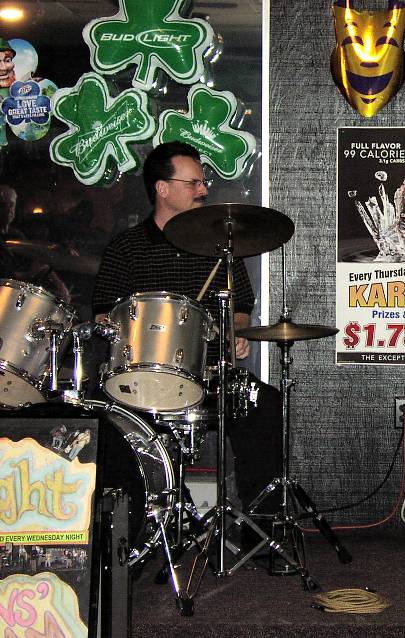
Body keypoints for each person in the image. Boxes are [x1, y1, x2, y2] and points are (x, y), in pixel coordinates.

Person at [92, 141, 283, 528]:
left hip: (210, 376)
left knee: (265, 405)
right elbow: (103, 316)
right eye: (193, 182)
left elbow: (240, 311)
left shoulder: (220, 248)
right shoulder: (126, 248)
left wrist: (235, 335)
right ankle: (133, 527)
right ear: (162, 188)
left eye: (203, 181)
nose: (204, 190)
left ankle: (261, 527)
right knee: (104, 419)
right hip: (142, 378)